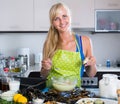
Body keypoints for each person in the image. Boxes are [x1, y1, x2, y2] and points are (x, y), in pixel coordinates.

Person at [41, 2, 97, 87]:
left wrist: (92, 64)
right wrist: (46, 68)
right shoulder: (49, 43)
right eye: (56, 18)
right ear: (53, 23)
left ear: (70, 17)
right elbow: (44, 74)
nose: (62, 22)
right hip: (51, 93)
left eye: (64, 16)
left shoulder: (84, 41)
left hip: (74, 94)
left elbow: (91, 74)